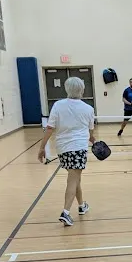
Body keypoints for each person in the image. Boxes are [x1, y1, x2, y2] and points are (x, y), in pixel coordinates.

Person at [38, 77, 95, 226]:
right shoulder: (88, 109)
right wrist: (95, 141)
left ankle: (82, 206)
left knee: (75, 177)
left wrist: (42, 147)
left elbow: (50, 128)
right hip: (78, 148)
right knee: (73, 179)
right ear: (82, 90)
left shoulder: (58, 105)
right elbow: (90, 132)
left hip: (62, 148)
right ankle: (66, 212)